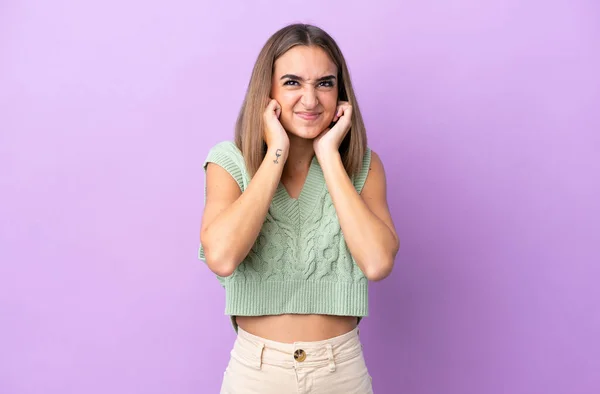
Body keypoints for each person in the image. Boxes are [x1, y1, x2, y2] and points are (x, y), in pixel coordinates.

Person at [198, 23, 399, 393]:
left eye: (324, 83)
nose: (310, 100)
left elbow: (377, 263)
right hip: (255, 374)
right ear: (268, 91)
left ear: (340, 93)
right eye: (292, 82)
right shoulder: (229, 163)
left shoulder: (365, 167)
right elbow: (223, 257)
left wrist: (329, 157)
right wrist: (276, 149)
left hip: (341, 372)